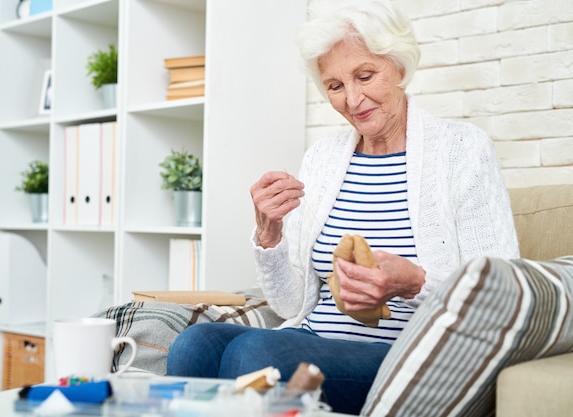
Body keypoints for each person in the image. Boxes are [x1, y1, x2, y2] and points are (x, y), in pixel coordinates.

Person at [166, 0, 520, 414]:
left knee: (254, 356)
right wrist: (270, 235)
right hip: (316, 340)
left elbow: (503, 294)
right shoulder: (322, 158)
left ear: (400, 68)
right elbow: (290, 305)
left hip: (410, 359)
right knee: (194, 346)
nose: (353, 99)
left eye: (365, 75)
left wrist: (414, 282)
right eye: (335, 86)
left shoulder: (462, 150)